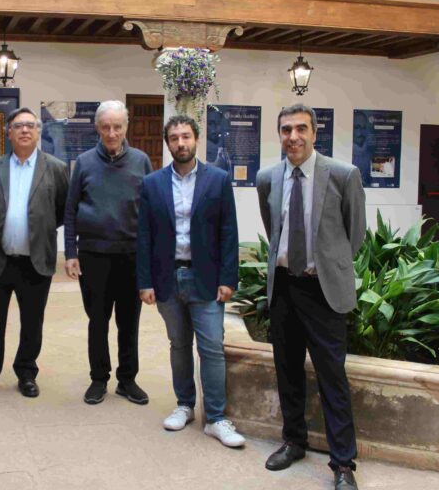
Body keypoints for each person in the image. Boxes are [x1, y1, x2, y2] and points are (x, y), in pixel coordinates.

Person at [256, 104, 366, 490]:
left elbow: (355, 235)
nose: (294, 137)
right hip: (284, 288)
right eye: (286, 129)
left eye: (301, 129)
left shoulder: (343, 175)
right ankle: (294, 442)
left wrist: (327, 265)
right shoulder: (267, 178)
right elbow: (273, 229)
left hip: (323, 291)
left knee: (332, 377)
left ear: (315, 133)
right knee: (287, 370)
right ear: (279, 134)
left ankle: (343, 463)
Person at [137, 115, 245, 448]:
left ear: (197, 139)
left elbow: (229, 232)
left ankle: (215, 417)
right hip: (167, 277)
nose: (180, 143)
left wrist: (228, 278)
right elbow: (144, 236)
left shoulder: (218, 180)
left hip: (206, 278)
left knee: (211, 348)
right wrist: (145, 281)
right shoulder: (152, 183)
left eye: (186, 136)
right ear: (167, 143)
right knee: (179, 345)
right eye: (174, 138)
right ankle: (184, 405)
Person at [0, 107, 69, 398]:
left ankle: (26, 372)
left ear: (38, 132)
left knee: (32, 323)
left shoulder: (56, 169)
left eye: (30, 125)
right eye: (18, 126)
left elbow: (62, 211)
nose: (25, 130)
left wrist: (38, 228)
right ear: (8, 133)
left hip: (36, 261)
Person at [64, 100, 153, 405]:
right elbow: (70, 211)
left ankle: (127, 380)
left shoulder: (141, 161)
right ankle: (98, 379)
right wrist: (71, 252)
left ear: (126, 127)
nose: (112, 133)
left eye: (117, 126)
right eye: (106, 127)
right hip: (94, 256)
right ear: (97, 128)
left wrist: (150, 257)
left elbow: (150, 212)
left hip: (131, 256)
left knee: (129, 322)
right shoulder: (84, 162)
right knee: (98, 321)